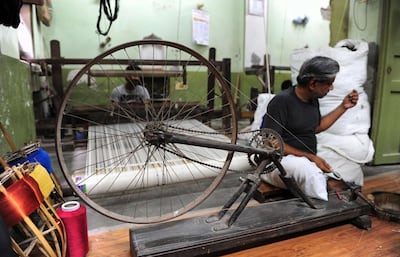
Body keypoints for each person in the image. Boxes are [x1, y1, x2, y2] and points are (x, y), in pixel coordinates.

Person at [261, 56, 359, 201]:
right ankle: (323, 210)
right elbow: (271, 142)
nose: (331, 88)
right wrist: (311, 157)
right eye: (329, 84)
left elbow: (316, 127)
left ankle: (329, 196)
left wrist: (343, 107)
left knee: (351, 169)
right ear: (313, 83)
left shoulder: (313, 100)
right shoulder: (281, 101)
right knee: (307, 170)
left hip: (305, 161)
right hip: (277, 165)